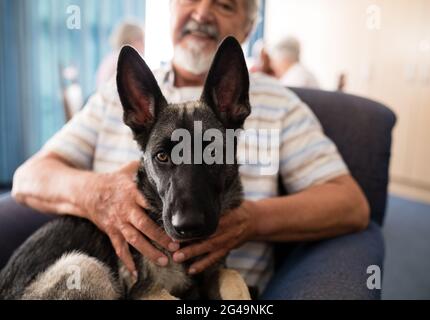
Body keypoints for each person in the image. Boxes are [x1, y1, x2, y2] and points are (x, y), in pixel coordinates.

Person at [1, 0, 383, 299]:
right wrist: (96, 194)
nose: (202, 12)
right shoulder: (111, 99)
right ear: (170, 12)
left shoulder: (281, 104)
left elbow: (352, 205)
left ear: (248, 27)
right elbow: (27, 179)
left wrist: (251, 220)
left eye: (224, 4)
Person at [96, 20, 145, 88]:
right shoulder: (125, 59)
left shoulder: (111, 57)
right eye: (141, 39)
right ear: (130, 39)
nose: (144, 44)